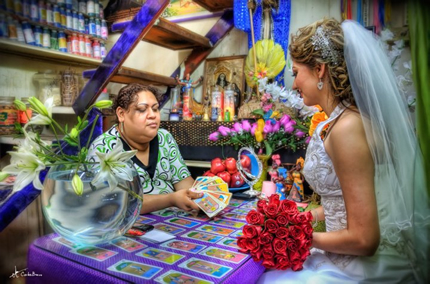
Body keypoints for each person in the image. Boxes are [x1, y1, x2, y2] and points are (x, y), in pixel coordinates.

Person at [258, 19, 429, 283]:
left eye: (295, 73)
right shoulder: (345, 120)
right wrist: (304, 216)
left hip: (362, 267)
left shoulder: (346, 129)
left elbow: (364, 239)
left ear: (319, 69)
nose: (293, 85)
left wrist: (297, 237)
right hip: (343, 254)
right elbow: (351, 202)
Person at [88, 83, 202, 214]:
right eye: (142, 109)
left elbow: (185, 184)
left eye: (155, 109)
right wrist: (171, 199)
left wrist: (205, 196)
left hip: (173, 222)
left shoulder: (164, 138)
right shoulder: (103, 149)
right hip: (129, 226)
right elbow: (113, 202)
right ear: (121, 114)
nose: (152, 115)